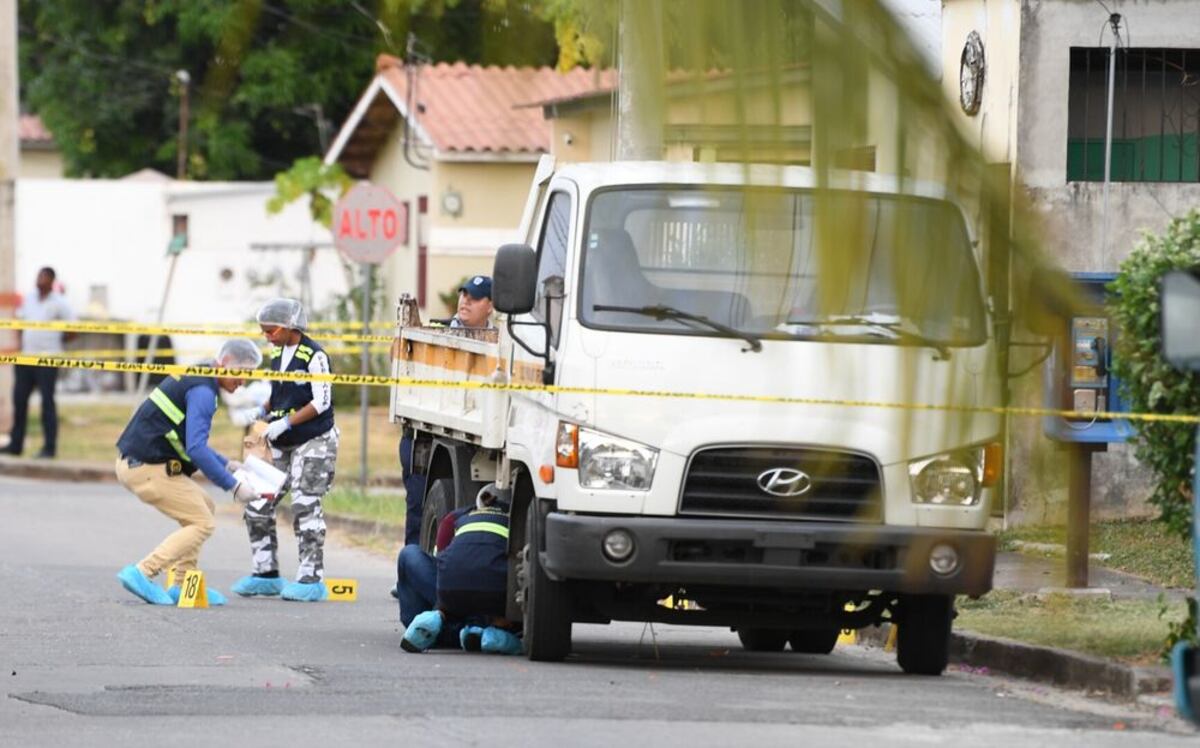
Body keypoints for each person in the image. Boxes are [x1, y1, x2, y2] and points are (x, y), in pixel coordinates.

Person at [114, 339, 264, 606]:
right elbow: (195, 448)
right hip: (147, 466)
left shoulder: (199, 376)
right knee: (202, 523)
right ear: (226, 363)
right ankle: (144, 572)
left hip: (138, 462)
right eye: (242, 372)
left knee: (204, 506)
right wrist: (234, 486)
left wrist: (226, 463)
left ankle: (184, 585)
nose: (244, 381)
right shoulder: (204, 393)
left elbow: (186, 438)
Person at [230, 298, 338, 602]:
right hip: (281, 439)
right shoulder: (278, 353)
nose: (267, 336)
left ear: (290, 326)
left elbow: (322, 402)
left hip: (314, 438)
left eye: (272, 330)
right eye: (263, 331)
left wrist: (288, 422)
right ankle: (265, 573)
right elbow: (278, 394)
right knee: (257, 501)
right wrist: (260, 413)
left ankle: (310, 576)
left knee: (305, 503)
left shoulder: (314, 356)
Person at [397, 275, 494, 550]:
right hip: (425, 433)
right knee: (417, 506)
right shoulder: (439, 338)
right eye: (464, 295)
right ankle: (411, 571)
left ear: (490, 305)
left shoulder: (499, 343)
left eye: (474, 298)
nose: (466, 301)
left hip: (476, 432)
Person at [398, 483, 522, 655]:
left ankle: (433, 622)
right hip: (496, 604)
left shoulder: (456, 517)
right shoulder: (520, 522)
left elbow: (444, 562)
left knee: (409, 554)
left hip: (452, 599)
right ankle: (489, 634)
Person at [2, 267, 75, 458]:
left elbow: (73, 330)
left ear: (52, 281)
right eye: (38, 276)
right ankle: (15, 444)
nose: (40, 280)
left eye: (44, 277)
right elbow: (19, 322)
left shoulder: (60, 303)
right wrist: (19, 344)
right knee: (19, 400)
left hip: (48, 359)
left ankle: (49, 447)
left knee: (47, 403)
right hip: (26, 357)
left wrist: (58, 340)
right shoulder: (29, 298)